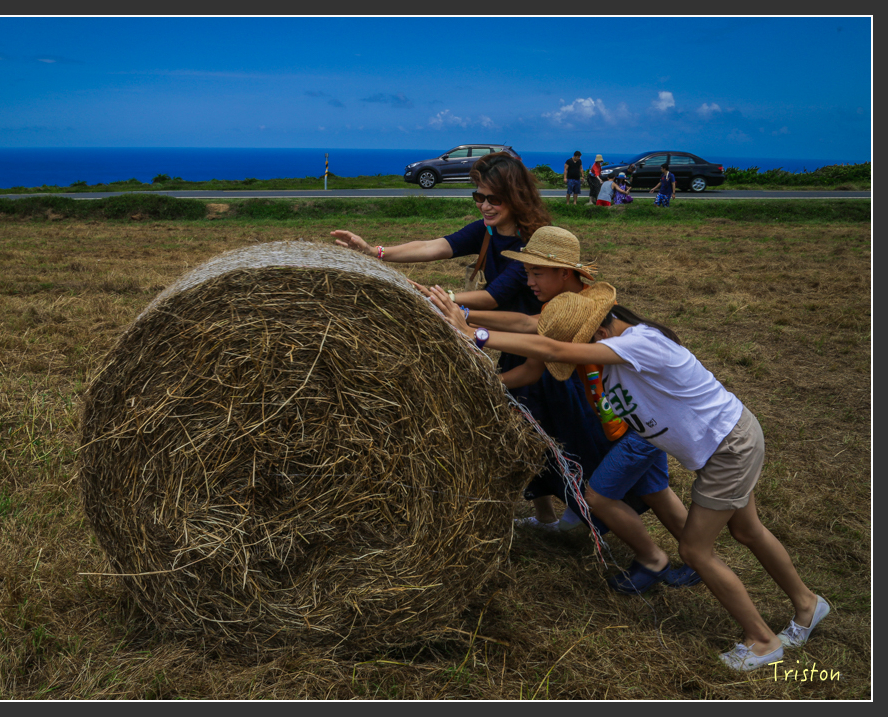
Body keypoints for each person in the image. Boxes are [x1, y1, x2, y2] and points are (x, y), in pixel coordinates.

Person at [441, 281, 829, 672]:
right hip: (725, 444)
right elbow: (538, 335)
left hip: (728, 448)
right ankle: (808, 605)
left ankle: (762, 641)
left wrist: (475, 334)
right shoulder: (615, 357)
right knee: (747, 531)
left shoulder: (642, 343)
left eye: (586, 344)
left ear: (600, 331)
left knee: (695, 550)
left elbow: (555, 349)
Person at [430, 231, 700, 593]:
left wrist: (471, 330)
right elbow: (530, 329)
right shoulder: (565, 304)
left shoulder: (580, 311)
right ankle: (701, 560)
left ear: (564, 273)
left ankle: (655, 559)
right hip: (641, 422)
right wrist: (463, 315)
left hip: (637, 421)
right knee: (655, 489)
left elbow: (536, 337)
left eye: (537, 273)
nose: (529, 282)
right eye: (526, 273)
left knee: (601, 495)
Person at [332, 151, 559, 524]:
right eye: (478, 196)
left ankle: (575, 508)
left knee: (538, 420)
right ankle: (547, 515)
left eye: (493, 199)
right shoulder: (488, 231)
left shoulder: (529, 242)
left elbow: (493, 296)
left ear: (515, 196)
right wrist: (374, 252)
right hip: (505, 334)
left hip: (532, 333)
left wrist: (439, 298)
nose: (484, 205)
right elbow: (435, 246)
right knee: (526, 419)